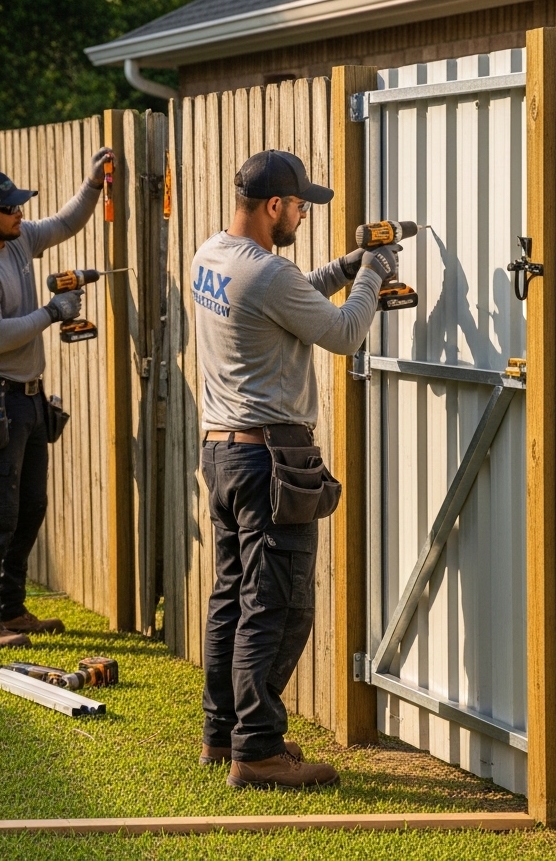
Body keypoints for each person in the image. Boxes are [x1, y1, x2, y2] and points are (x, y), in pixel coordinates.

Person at [191, 149, 400, 790]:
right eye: (300, 205)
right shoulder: (269, 273)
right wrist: (373, 274)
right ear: (274, 206)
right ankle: (257, 751)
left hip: (223, 453)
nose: (304, 214)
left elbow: (284, 299)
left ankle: (222, 734)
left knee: (232, 598)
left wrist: (343, 266)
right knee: (278, 606)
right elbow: (342, 333)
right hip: (269, 461)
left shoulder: (212, 256)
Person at [0, 151, 114, 648]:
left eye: (19, 205)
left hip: (28, 399)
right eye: (10, 208)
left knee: (28, 507)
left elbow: (64, 223)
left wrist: (92, 185)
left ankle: (10, 609)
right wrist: (52, 312)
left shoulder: (16, 240)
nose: (20, 213)